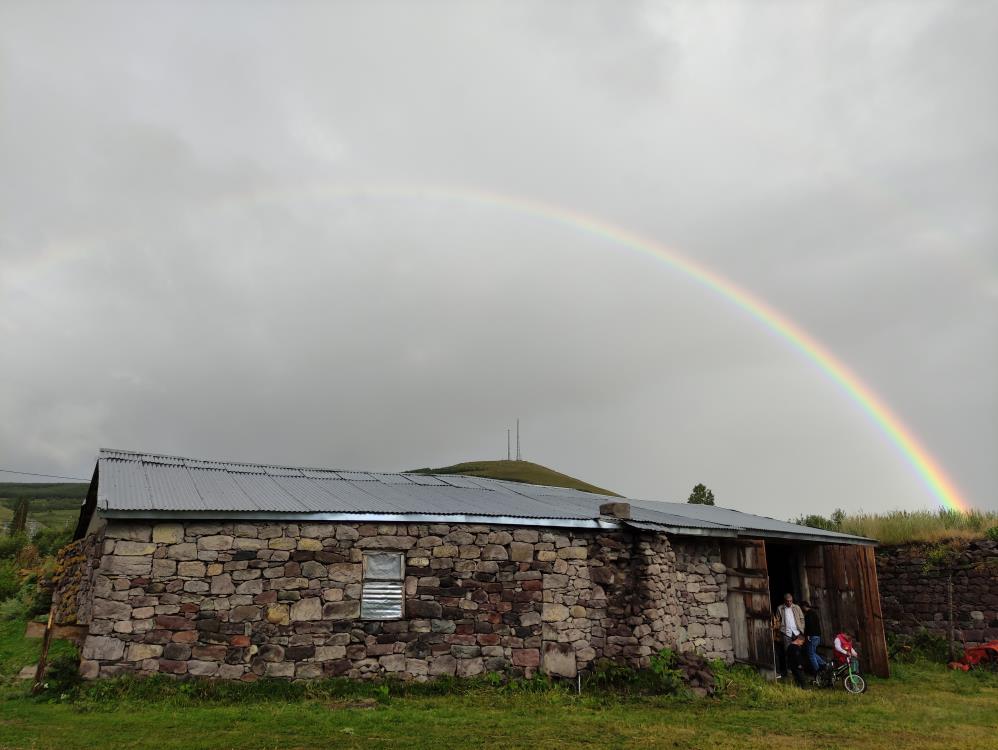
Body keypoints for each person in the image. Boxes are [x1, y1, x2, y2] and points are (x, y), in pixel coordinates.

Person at [775, 593, 804, 676]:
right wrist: (780, 629)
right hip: (786, 633)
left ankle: (799, 669)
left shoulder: (797, 607)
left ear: (792, 600)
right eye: (787, 601)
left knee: (797, 651)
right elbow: (777, 620)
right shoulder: (780, 608)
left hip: (797, 632)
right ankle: (790, 670)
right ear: (784, 601)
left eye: (790, 601)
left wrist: (802, 628)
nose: (789, 602)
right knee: (788, 651)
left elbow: (802, 618)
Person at [801, 601, 826, 673]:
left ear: (804, 607)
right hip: (817, 636)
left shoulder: (809, 614)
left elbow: (810, 625)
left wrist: (808, 634)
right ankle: (824, 664)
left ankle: (818, 671)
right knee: (812, 652)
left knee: (811, 654)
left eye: (802, 607)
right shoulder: (814, 613)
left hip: (813, 636)